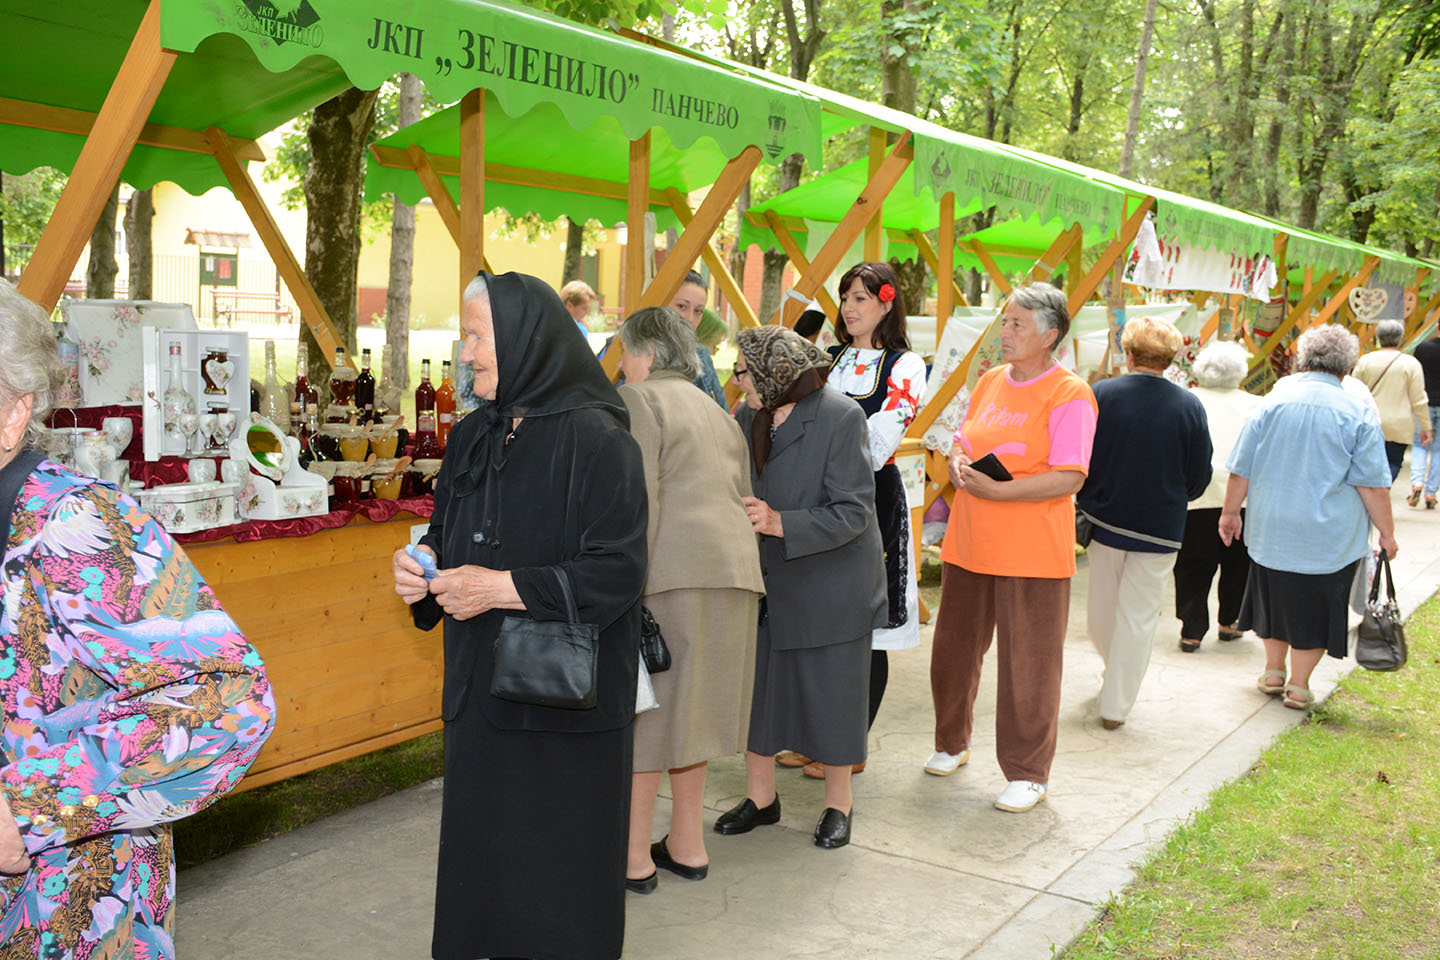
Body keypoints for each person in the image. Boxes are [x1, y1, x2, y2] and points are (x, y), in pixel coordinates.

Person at [0, 280, 275, 959]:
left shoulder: (77, 524)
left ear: (12, 413)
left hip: (63, 909)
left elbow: (231, 699)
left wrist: (32, 806)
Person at [394, 271, 648, 960]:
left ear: (527, 341)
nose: (466, 354)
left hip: (564, 713)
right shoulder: (475, 437)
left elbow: (618, 572)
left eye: (478, 337)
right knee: (485, 876)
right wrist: (421, 567)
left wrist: (501, 588)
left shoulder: (601, 441)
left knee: (557, 887)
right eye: (465, 336)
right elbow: (448, 534)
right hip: (482, 702)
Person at [715, 326, 885, 850]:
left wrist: (778, 522)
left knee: (833, 696)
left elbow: (853, 510)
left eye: (744, 371)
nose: (737, 380)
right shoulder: (750, 416)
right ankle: (762, 799)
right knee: (760, 693)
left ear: (776, 372)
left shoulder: (839, 416)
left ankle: (839, 805)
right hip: (768, 580)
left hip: (831, 582)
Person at [928, 282, 1097, 813]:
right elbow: (965, 438)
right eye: (1004, 322)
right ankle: (951, 743)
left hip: (1032, 552)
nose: (1005, 333)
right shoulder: (991, 381)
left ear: (1049, 335)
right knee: (952, 653)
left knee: (1029, 664)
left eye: (1017, 324)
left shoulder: (1071, 394)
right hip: (970, 542)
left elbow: (1069, 476)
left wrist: (1002, 490)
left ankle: (1028, 771)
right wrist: (957, 461)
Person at [615, 308, 764, 893]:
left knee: (648, 718)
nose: (622, 366)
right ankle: (687, 844)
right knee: (695, 717)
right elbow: (744, 495)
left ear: (648, 355)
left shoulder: (638, 400)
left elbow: (639, 502)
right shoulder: (719, 411)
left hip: (669, 573)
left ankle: (632, 859)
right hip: (733, 574)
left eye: (625, 354)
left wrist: (623, 587)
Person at [787, 262, 925, 780]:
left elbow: (878, 443)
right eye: (846, 295)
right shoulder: (827, 357)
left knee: (866, 629)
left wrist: (816, 452)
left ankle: (849, 744)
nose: (849, 306)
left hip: (869, 503)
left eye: (862, 297)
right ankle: (811, 736)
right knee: (817, 618)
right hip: (814, 499)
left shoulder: (907, 366)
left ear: (887, 304)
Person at [1221, 324, 1396, 710]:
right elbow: (1372, 486)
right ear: (1347, 367)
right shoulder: (1359, 413)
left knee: (1272, 598)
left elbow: (1241, 468)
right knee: (1316, 607)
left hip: (1272, 527)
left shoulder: (1270, 402)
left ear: (1303, 361)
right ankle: (1298, 685)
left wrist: (1230, 513)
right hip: (1330, 536)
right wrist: (1387, 533)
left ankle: (1272, 671)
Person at [1077, 317, 1212, 729]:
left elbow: (1083, 455)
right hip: (1160, 527)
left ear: (1128, 353)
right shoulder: (1189, 405)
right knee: (1138, 616)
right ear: (1171, 359)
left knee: (1101, 611)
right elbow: (1198, 476)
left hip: (1105, 519)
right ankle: (1116, 705)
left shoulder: (1101, 394)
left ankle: (1113, 673)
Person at [1173, 340, 1262, 652]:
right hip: (1243, 496)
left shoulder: (1187, 399)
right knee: (1238, 563)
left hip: (1196, 495)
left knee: (1193, 564)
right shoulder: (1256, 404)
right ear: (1240, 372)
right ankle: (1230, 621)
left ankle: (1192, 629)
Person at [1352, 319, 1430, 484]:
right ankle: (1383, 490)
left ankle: (1373, 495)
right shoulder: (1410, 363)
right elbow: (1419, 399)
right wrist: (1426, 426)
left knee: (1367, 464)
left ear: (1378, 338)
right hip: (1399, 425)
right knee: (1393, 462)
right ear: (1400, 338)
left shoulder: (1365, 361)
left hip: (1369, 422)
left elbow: (1352, 392)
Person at [669, 270, 728, 408]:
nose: (689, 318)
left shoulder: (702, 355)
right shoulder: (638, 352)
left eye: (698, 311)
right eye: (682, 306)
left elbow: (723, 415)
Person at [1411, 327, 1440, 508]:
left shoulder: (1423, 349)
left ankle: (1417, 483)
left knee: (1419, 444)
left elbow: (1414, 376)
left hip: (1424, 403)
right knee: (1438, 450)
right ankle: (1431, 492)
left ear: (1437, 327)